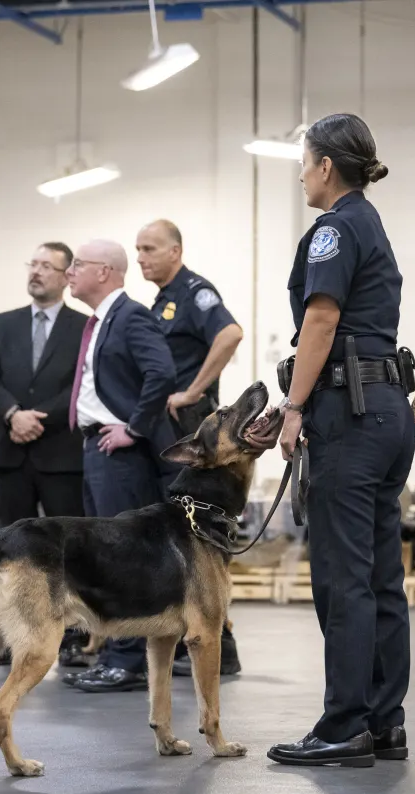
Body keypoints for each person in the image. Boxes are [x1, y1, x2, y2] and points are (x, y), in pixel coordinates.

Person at [251, 113, 415, 768]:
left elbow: (320, 322)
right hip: (385, 410)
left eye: (304, 162)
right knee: (380, 575)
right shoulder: (369, 224)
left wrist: (293, 408)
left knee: (343, 577)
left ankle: (345, 724)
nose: (299, 175)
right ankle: (383, 720)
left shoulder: (334, 230)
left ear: (324, 167)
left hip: (348, 417)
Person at [60, 239, 179, 694]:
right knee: (104, 555)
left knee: (123, 555)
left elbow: (161, 372)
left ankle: (127, 659)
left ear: (105, 272)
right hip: (97, 449)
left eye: (78, 265)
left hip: (122, 453)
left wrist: (134, 426)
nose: (70, 272)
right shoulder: (100, 322)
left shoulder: (130, 316)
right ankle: (113, 653)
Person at [0, 242, 92, 667]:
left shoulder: (84, 326)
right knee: (12, 549)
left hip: (61, 451)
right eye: (34, 264)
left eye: (48, 266)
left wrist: (39, 417)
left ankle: (75, 638)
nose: (37, 272)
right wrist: (12, 415)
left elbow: (83, 382)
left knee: (68, 547)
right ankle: (13, 636)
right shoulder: (2, 324)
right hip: (10, 451)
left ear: (66, 276)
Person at [136, 218, 245, 676]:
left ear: (175, 251)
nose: (141, 256)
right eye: (137, 249)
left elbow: (231, 333)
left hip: (195, 430)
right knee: (180, 537)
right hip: (171, 430)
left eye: (149, 248)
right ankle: (193, 636)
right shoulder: (162, 300)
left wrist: (195, 390)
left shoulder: (195, 291)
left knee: (198, 536)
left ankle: (224, 645)